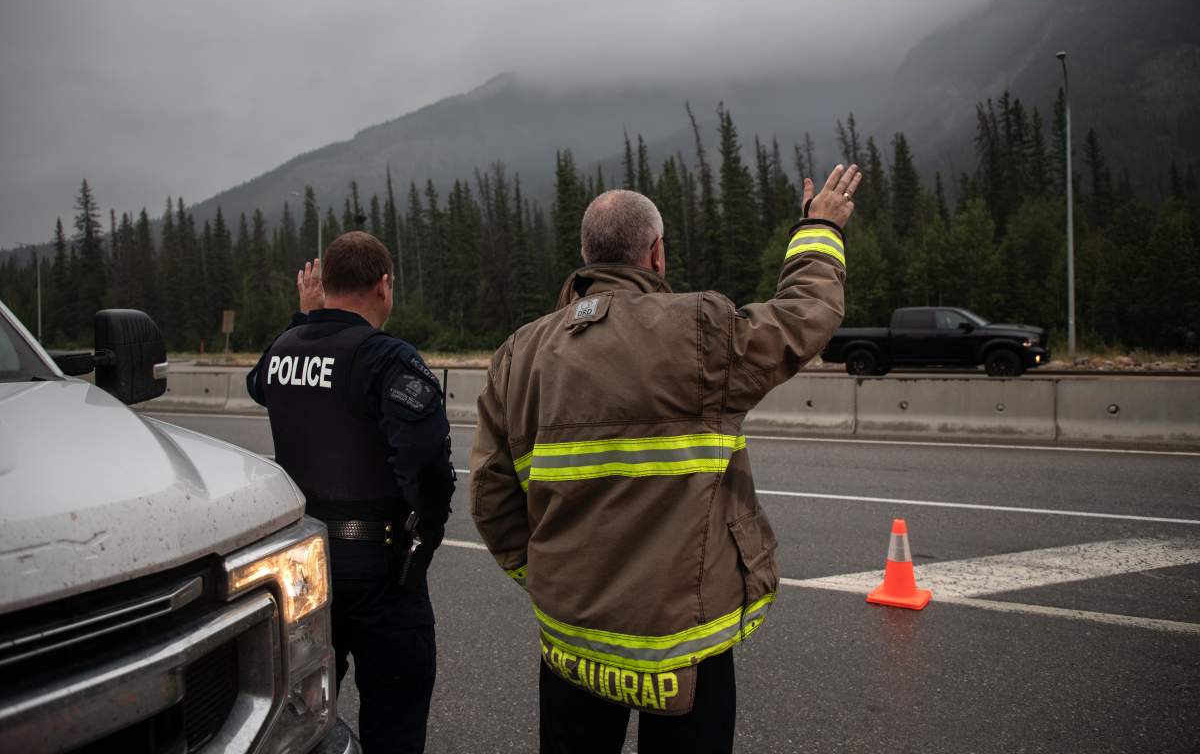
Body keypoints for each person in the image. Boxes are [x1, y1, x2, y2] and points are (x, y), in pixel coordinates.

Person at [470, 164, 860, 753]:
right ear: (656, 254)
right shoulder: (700, 330)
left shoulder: (517, 355)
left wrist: (548, 581)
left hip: (573, 644)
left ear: (587, 255)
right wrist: (819, 229)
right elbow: (806, 315)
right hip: (689, 643)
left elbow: (492, 499)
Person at [247, 230, 455, 754]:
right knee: (396, 719)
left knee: (301, 725)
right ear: (384, 285)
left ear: (324, 287)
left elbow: (258, 384)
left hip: (304, 566)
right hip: (382, 568)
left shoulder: (281, 351)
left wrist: (303, 318)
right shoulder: (388, 358)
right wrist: (424, 540)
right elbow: (428, 465)